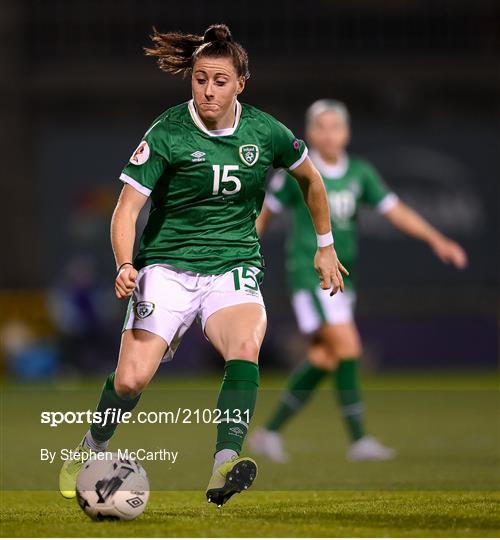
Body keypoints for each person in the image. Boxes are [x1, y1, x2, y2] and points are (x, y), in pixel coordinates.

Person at [58, 26, 347, 507]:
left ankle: (224, 465)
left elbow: (311, 179)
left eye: (218, 81)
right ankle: (92, 447)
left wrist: (325, 244)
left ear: (240, 84)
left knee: (245, 345)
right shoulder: (168, 131)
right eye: (199, 79)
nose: (207, 90)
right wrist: (125, 263)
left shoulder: (265, 131)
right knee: (130, 379)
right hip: (167, 268)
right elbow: (126, 210)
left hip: (232, 264)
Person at [249, 99, 468, 462]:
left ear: (347, 133)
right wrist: (241, 249)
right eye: (321, 126)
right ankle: (359, 440)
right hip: (310, 275)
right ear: (309, 133)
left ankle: (268, 433)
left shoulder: (359, 173)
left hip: (343, 278)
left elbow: (394, 209)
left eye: (336, 127)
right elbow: (263, 215)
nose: (329, 134)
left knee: (323, 357)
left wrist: (436, 239)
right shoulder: (298, 172)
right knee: (349, 347)